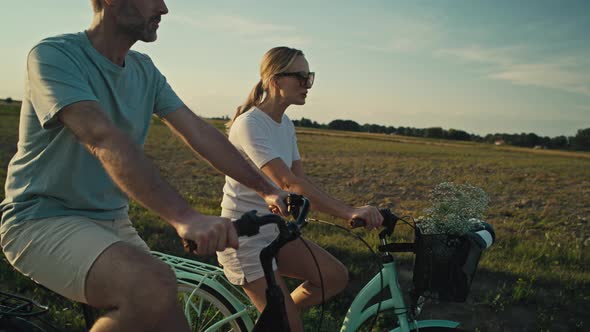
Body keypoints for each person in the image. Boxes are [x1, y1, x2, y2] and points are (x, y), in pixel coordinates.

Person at [0, 1, 290, 331]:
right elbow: (101, 137)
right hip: (41, 220)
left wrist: (267, 189)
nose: (163, 8)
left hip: (111, 219)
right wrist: (185, 217)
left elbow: (198, 131)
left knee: (168, 316)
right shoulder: (54, 55)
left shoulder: (144, 70)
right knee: (152, 285)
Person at [216, 46, 384, 331]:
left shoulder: (286, 124)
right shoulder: (250, 124)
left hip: (273, 231)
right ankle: (279, 320)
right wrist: (349, 212)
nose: (307, 85)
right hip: (243, 237)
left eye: (310, 77)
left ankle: (273, 319)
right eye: (300, 77)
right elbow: (288, 183)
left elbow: (299, 183)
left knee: (333, 276)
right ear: (276, 80)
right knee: (291, 327)